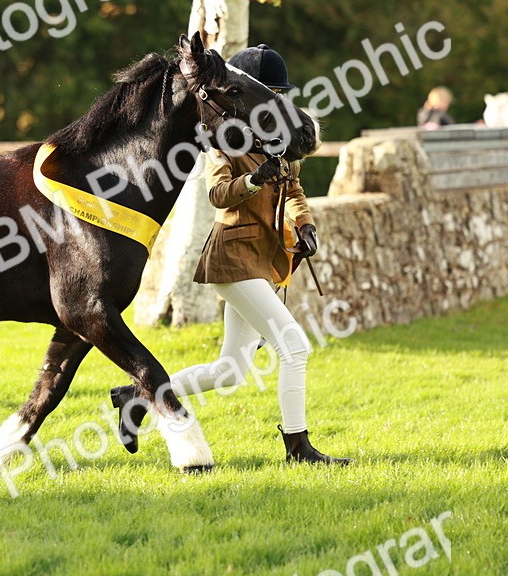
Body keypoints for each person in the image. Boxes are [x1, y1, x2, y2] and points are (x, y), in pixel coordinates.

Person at [111, 44, 351, 466]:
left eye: (279, 95)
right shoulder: (224, 144)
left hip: (264, 258)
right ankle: (299, 448)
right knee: (294, 346)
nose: (274, 104)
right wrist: (254, 180)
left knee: (229, 372)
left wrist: (305, 224)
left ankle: (138, 395)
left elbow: (293, 189)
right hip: (233, 257)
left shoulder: (281, 142)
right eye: (270, 94)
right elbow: (218, 195)